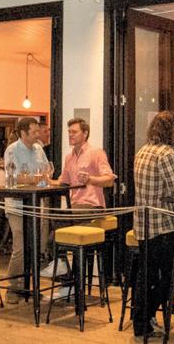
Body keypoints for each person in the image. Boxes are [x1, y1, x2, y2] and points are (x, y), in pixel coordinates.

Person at [132, 111, 174, 338]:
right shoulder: (167, 153)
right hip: (163, 225)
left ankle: (141, 321)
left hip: (143, 224)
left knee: (147, 275)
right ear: (169, 130)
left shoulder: (142, 151)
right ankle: (145, 314)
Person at [45, 118, 117, 281]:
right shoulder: (69, 157)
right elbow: (63, 183)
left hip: (93, 206)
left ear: (85, 134)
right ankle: (67, 276)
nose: (70, 135)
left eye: (74, 132)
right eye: (69, 132)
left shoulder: (96, 152)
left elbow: (109, 180)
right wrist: (47, 180)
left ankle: (65, 272)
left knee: (58, 221)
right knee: (54, 233)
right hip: (76, 207)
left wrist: (90, 179)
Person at [2, 116, 49, 304]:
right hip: (17, 206)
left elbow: (46, 172)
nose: (38, 134)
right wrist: (34, 179)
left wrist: (37, 179)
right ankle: (13, 287)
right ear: (23, 133)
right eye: (34, 131)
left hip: (35, 205)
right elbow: (13, 177)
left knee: (35, 248)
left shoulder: (39, 149)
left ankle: (30, 286)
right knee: (20, 248)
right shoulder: (12, 150)